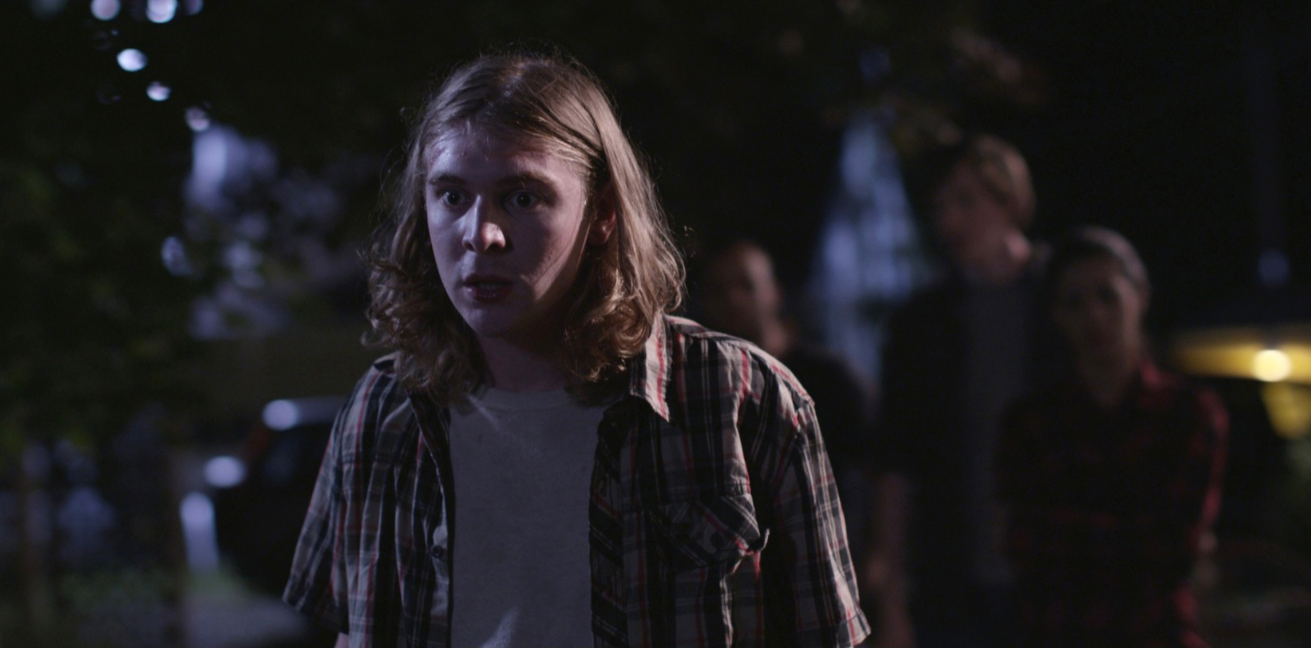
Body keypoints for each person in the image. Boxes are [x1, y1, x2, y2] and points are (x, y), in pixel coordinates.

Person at [282, 52, 869, 648]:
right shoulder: (383, 410)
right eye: (453, 196)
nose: (481, 234)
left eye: (522, 197)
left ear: (602, 214)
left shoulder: (738, 397)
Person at [996, 227, 1227, 648]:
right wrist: (1134, 532)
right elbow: (1023, 543)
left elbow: (1175, 545)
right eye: (1074, 302)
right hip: (1062, 632)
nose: (1094, 316)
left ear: (1140, 297)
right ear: (1056, 315)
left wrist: (1069, 533)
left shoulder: (1190, 412)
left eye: (1108, 296)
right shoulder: (1030, 423)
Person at [865, 134, 1054, 648]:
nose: (949, 222)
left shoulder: (1059, 298)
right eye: (940, 208)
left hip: (1054, 571)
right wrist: (894, 598)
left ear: (1009, 200)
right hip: (952, 579)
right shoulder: (921, 322)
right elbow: (897, 463)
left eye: (966, 202)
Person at [698, 238, 877, 594]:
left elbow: (877, 471)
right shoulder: (704, 390)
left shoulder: (832, 380)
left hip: (830, 571)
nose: (734, 299)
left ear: (774, 293)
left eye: (746, 285)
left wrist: (879, 559)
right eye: (720, 289)